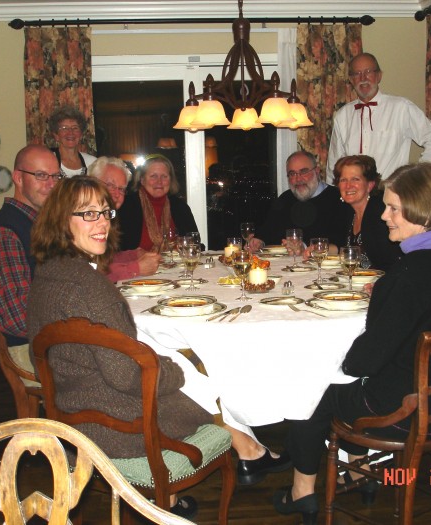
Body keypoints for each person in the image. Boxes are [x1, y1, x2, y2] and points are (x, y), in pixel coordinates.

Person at [26, 177, 291, 519]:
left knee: (188, 376)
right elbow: (126, 376)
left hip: (70, 411)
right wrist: (175, 370)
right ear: (62, 221)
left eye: (105, 212)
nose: (102, 222)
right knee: (205, 384)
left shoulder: (47, 275)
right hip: (118, 427)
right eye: (87, 214)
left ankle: (186, 488)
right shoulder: (91, 287)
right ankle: (242, 451)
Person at [273, 163, 431, 525]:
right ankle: (357, 471)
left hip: (405, 411)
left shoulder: (406, 276)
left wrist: (331, 357)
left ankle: (302, 492)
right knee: (346, 380)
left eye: (393, 208)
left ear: (420, 210)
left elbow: (362, 363)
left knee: (312, 386)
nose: (384, 215)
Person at [0, 144, 62, 377]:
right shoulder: (4, 233)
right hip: (33, 350)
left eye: (56, 176)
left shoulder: (41, 224)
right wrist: (75, 323)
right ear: (18, 178)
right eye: (41, 176)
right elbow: (17, 317)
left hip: (54, 337)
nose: (52, 184)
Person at [326, 53, 431, 183]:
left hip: (391, 193)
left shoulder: (401, 108)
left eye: (368, 72)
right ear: (351, 79)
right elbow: (334, 163)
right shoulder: (342, 116)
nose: (363, 78)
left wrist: (416, 176)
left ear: (379, 76)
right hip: (354, 196)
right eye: (357, 74)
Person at [248, 151, 345, 252]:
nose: (298, 179)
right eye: (292, 173)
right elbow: (268, 230)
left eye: (303, 171)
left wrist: (304, 247)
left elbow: (340, 242)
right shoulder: (285, 199)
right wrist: (259, 241)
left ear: (317, 171)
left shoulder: (338, 198)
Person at [87, 156, 160, 281]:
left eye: (121, 189)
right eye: (110, 185)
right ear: (92, 182)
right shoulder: (82, 219)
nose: (116, 194)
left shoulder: (109, 218)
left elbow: (103, 260)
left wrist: (133, 255)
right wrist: (136, 268)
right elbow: (88, 272)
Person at [327, 155, 402, 271]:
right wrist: (319, 249)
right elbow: (340, 246)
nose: (348, 185)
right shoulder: (347, 211)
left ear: (370, 185)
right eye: (343, 180)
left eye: (355, 179)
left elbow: (391, 261)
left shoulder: (380, 213)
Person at [118, 154, 199, 251]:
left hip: (176, 265)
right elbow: (118, 249)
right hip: (138, 265)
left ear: (171, 180)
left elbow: (195, 244)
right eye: (153, 176)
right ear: (142, 180)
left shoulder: (180, 207)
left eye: (164, 176)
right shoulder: (127, 206)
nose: (159, 182)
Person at [48, 106, 96, 177]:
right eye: (64, 128)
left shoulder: (93, 163)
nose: (70, 132)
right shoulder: (48, 160)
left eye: (75, 128)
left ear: (81, 134)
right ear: (56, 135)